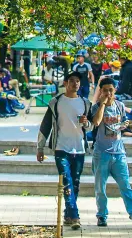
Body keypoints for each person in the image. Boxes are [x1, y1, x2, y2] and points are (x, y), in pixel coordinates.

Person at [37, 72, 91, 230]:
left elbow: (91, 127)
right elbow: (46, 125)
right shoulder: (56, 102)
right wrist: (40, 147)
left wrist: (86, 123)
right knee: (66, 181)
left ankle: (68, 215)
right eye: (72, 81)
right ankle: (75, 216)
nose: (75, 84)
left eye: (78, 81)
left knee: (75, 183)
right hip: (61, 148)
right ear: (66, 83)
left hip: (79, 148)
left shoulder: (85, 103)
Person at [91, 77, 132, 228]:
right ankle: (102, 215)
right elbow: (96, 122)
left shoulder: (120, 106)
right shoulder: (96, 107)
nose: (108, 93)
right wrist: (103, 104)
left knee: (125, 185)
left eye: (111, 90)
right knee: (100, 187)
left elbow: (124, 123)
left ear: (115, 90)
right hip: (101, 153)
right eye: (105, 91)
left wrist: (125, 124)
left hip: (118, 152)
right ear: (101, 92)